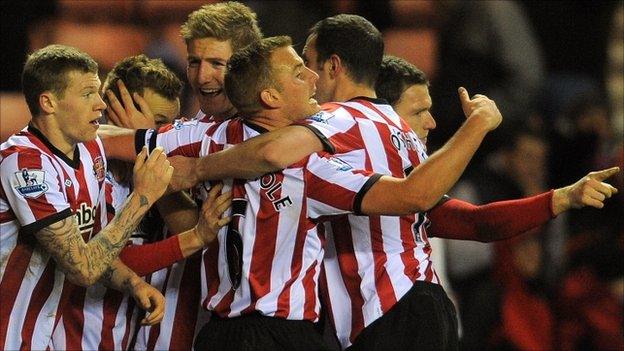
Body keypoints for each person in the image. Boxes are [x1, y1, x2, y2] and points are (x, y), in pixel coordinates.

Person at [374, 55, 620, 350]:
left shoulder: (403, 190)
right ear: (383, 116)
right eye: (419, 112)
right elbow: (427, 201)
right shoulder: (343, 178)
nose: (431, 121)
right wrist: (477, 125)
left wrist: (563, 197)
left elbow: (477, 222)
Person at [49, 54, 232, 350]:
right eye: (157, 126)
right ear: (114, 110)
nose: (163, 138)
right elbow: (98, 262)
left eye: (168, 128)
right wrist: (139, 142)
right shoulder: (72, 171)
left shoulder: (167, 177)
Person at [0, 44, 172, 350]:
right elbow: (83, 268)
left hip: (38, 336)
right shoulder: (24, 165)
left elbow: (95, 249)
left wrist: (133, 283)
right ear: (48, 102)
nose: (100, 104)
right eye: (87, 93)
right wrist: (142, 198)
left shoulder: (92, 151)